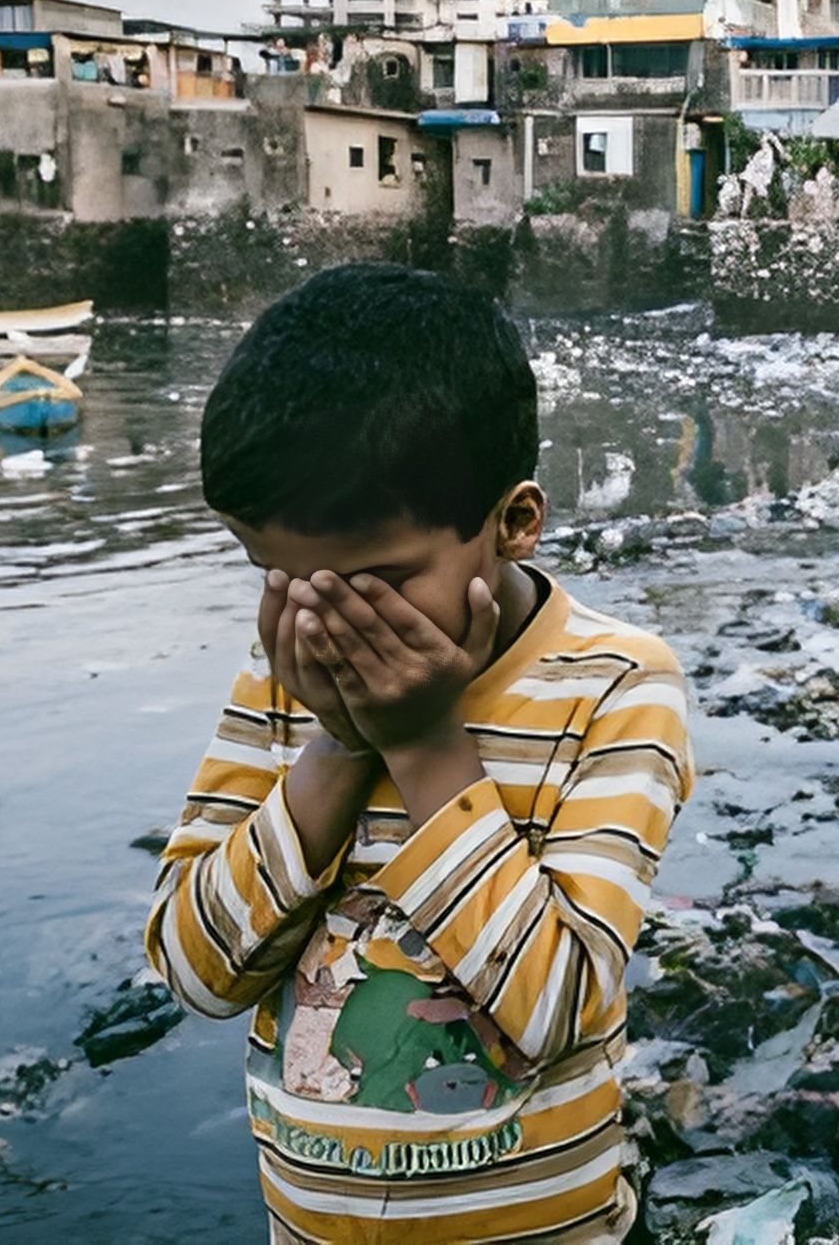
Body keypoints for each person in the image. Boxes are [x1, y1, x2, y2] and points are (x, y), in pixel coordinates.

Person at [146, 263, 694, 1243]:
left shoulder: (613, 684)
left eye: (374, 580)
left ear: (514, 523)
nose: (320, 615)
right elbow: (196, 972)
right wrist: (336, 745)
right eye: (273, 572)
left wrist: (421, 742)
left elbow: (556, 1002)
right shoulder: (286, 676)